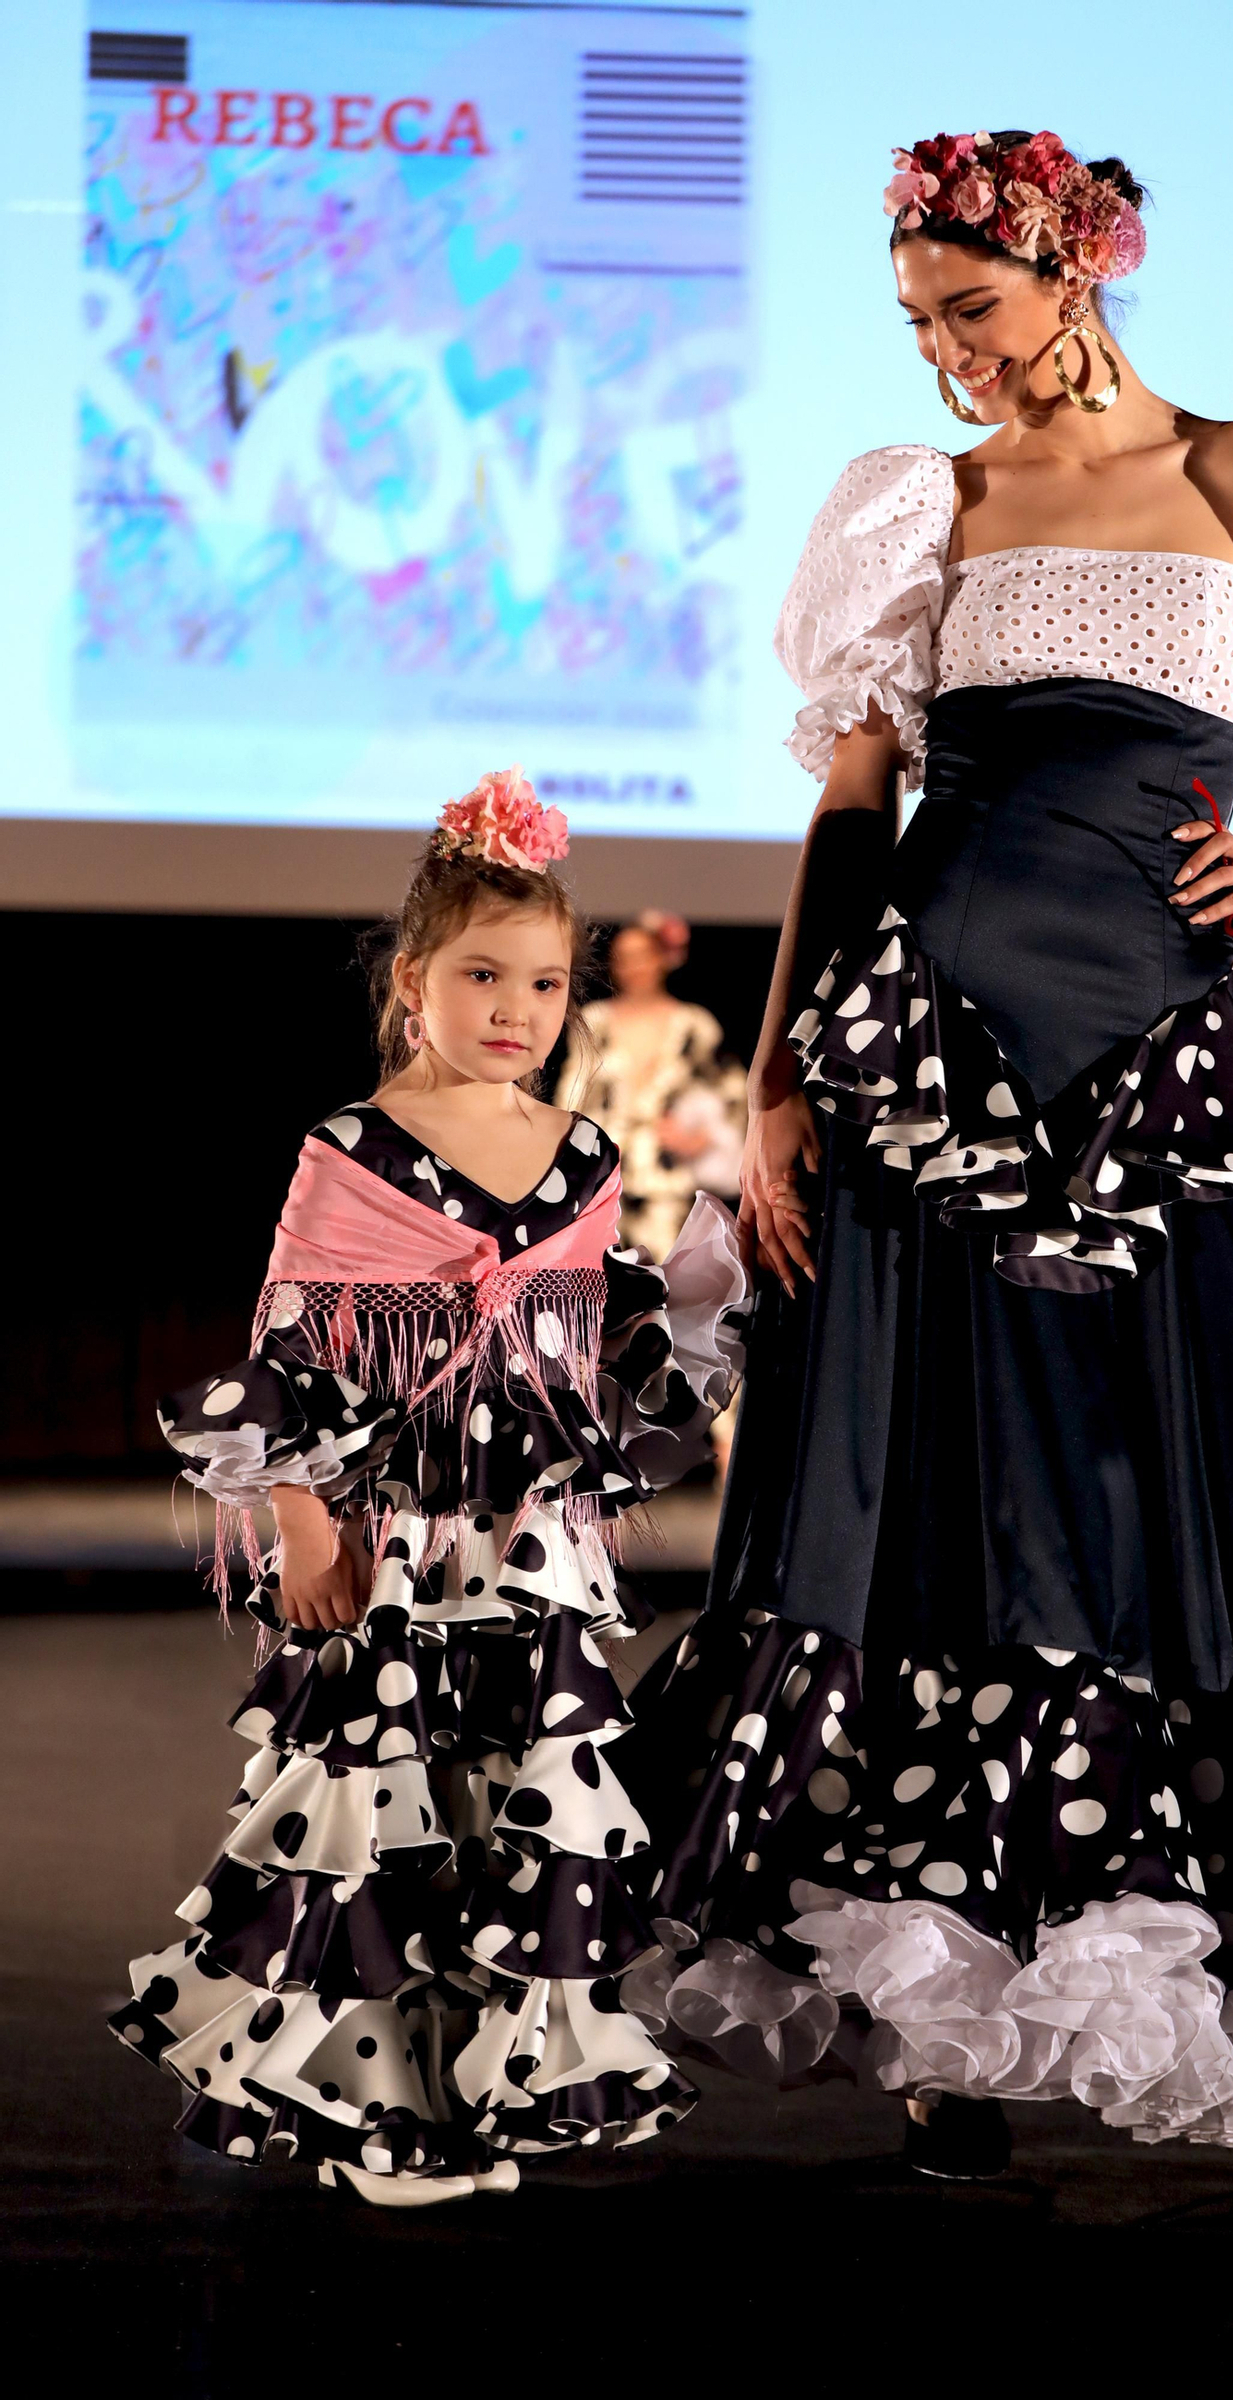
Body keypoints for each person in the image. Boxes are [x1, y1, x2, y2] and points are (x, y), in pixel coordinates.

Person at [625, 132, 1233, 2198]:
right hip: (926, 1072)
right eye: (913, 324)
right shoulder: (928, 505)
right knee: (945, 1522)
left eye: (967, 310)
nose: (943, 356)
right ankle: (955, 2015)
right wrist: (783, 1085)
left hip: (1164, 1065)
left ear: (1072, 272)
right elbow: (842, 821)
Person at [112, 770, 745, 2207]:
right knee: (378, 1792)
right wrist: (299, 1522)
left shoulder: (583, 1153)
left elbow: (589, 1346)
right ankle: (374, 2092)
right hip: (395, 1534)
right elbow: (288, 1347)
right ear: (414, 981)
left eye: (546, 981)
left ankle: (495, 2078)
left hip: (525, 1538)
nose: (518, 1007)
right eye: (483, 975)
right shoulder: (347, 1154)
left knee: (516, 1794)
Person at [559, 916, 745, 1259]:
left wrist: (703, 1138)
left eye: (642, 955)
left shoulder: (693, 1024)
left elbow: (734, 1091)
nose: (633, 967)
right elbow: (571, 1095)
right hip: (600, 1174)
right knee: (600, 1277)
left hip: (665, 1175)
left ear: (662, 958)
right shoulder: (594, 1021)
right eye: (623, 957)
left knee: (663, 1277)